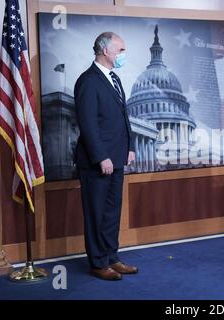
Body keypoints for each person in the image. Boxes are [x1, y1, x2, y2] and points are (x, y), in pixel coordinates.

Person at [74, 32, 137, 280]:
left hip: (118, 157)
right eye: (120, 50)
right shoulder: (88, 81)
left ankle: (112, 257)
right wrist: (101, 156)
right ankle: (98, 262)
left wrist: (129, 147)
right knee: (96, 212)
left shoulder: (115, 79)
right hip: (96, 162)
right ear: (105, 51)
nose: (123, 55)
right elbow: (87, 123)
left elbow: (123, 117)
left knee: (112, 212)